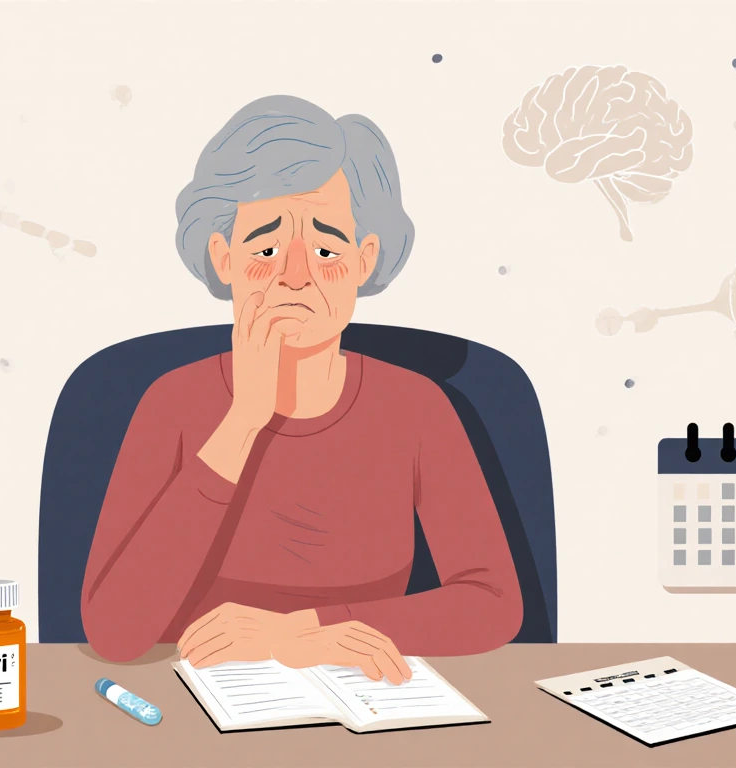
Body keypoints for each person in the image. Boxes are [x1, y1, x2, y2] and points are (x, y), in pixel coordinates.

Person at [80, 95, 522, 684]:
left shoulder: (417, 409)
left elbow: (492, 604)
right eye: (264, 250)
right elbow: (114, 631)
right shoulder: (173, 403)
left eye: (325, 251)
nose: (295, 276)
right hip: (195, 710)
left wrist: (304, 633)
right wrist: (243, 420)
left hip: (365, 702)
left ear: (366, 260)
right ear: (224, 258)